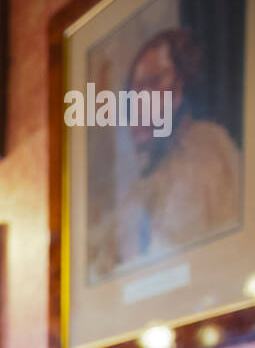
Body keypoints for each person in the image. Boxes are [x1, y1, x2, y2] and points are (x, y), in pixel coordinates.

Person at [88, 27, 242, 278]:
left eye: (153, 83)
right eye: (135, 90)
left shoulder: (204, 149)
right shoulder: (150, 171)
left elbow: (178, 255)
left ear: (181, 86)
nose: (141, 100)